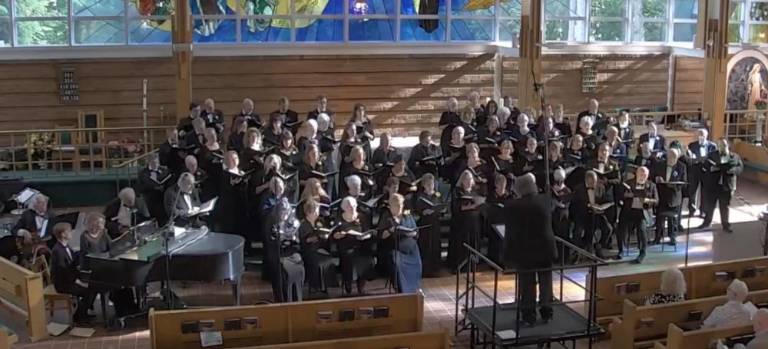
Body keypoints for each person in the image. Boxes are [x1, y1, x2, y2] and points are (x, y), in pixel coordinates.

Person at [503, 173, 556, 325]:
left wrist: (506, 255)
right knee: (546, 282)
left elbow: (510, 233)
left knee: (527, 284)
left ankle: (528, 316)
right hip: (545, 249)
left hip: (525, 251)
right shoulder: (545, 200)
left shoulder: (512, 206)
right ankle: (547, 313)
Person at [50, 222, 96, 324]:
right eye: (69, 231)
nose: (71, 233)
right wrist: (79, 282)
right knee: (89, 289)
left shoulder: (66, 247)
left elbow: (73, 260)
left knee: (93, 285)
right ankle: (79, 316)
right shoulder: (58, 251)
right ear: (63, 234)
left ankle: (83, 312)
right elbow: (63, 271)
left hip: (70, 278)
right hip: (63, 284)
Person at [378, 193, 422, 293]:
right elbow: (381, 235)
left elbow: (416, 231)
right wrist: (390, 231)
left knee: (417, 262)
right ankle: (403, 289)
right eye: (397, 205)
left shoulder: (407, 215)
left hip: (410, 246)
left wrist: (413, 233)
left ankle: (415, 287)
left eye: (401, 205)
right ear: (391, 206)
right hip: (394, 247)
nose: (399, 208)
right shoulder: (386, 217)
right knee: (397, 263)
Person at [263, 197, 304, 303]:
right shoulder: (271, 222)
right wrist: (279, 237)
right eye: (282, 212)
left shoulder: (293, 221)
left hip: (290, 251)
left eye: (286, 211)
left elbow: (298, 241)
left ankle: (296, 297)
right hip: (277, 252)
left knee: (299, 266)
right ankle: (283, 297)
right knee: (283, 269)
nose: (284, 214)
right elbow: (269, 241)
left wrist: (293, 238)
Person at [700, 139, 744, 232]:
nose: (721, 148)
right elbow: (705, 165)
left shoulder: (734, 156)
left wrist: (731, 171)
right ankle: (707, 222)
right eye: (719, 146)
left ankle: (725, 225)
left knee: (724, 206)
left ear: (727, 146)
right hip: (713, 185)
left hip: (726, 186)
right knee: (710, 205)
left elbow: (740, 168)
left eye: (723, 146)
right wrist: (711, 168)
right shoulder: (712, 155)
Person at [616, 166, 658, 263]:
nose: (642, 176)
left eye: (644, 175)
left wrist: (648, 200)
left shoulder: (651, 186)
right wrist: (626, 195)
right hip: (628, 210)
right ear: (636, 174)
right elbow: (619, 196)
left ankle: (642, 252)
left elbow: (656, 201)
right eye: (640, 174)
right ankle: (621, 250)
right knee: (621, 227)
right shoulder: (628, 183)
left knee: (641, 229)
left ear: (647, 176)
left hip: (642, 212)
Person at [334, 197, 374, 296]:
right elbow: (334, 235)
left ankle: (361, 284)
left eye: (354, 206)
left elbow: (368, 232)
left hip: (360, 245)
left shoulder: (362, 217)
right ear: (344, 208)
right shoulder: (339, 219)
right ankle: (348, 284)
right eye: (349, 207)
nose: (352, 208)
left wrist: (364, 236)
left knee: (366, 258)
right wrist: (339, 235)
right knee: (348, 258)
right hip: (346, 246)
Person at [570, 171, 614, 259]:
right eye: (591, 182)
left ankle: (598, 246)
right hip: (583, 215)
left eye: (595, 182)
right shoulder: (578, 189)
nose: (594, 184)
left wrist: (601, 207)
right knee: (577, 232)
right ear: (586, 180)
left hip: (597, 214)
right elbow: (574, 205)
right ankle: (579, 250)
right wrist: (588, 206)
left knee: (608, 229)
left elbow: (607, 199)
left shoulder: (600, 187)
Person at [298, 199, 337, 294]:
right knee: (316, 262)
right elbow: (301, 241)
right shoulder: (303, 224)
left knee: (328, 260)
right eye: (316, 211)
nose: (318, 213)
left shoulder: (319, 222)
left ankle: (326, 285)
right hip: (308, 251)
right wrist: (309, 239)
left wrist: (325, 236)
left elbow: (323, 234)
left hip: (319, 249)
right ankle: (315, 286)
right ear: (309, 212)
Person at [449, 170, 484, 270]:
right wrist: (473, 205)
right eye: (466, 179)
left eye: (470, 179)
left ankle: (473, 265)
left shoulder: (475, 192)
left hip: (474, 223)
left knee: (473, 242)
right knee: (463, 243)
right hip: (462, 223)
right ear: (462, 181)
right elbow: (457, 207)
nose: (468, 182)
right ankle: (461, 265)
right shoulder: (457, 191)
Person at [653, 148, 687, 245]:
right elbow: (653, 176)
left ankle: (672, 237)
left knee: (673, 220)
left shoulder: (681, 166)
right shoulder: (660, 164)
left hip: (674, 196)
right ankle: (658, 237)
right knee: (659, 219)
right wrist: (656, 178)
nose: (673, 158)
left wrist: (673, 185)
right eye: (671, 156)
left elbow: (684, 183)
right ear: (667, 155)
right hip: (661, 195)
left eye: (675, 156)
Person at [412, 173, 444, 277]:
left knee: (435, 245)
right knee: (425, 246)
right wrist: (423, 211)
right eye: (429, 184)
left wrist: (439, 209)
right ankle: (425, 269)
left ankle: (435, 268)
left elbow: (441, 206)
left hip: (435, 223)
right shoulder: (420, 196)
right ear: (424, 185)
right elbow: (417, 208)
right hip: (425, 223)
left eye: (432, 184)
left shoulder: (437, 195)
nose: (431, 186)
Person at [214, 151, 249, 236]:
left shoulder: (241, 172)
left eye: (236, 158)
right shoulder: (224, 174)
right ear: (226, 161)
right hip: (230, 207)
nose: (234, 160)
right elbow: (223, 190)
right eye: (231, 158)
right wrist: (232, 184)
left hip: (241, 205)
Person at [687, 129, 717, 217]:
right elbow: (689, 158)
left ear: (706, 136)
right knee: (692, 191)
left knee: (705, 192)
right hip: (695, 171)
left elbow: (714, 158)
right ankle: (691, 209)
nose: (701, 136)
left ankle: (703, 210)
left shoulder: (712, 146)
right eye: (699, 135)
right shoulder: (692, 145)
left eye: (703, 135)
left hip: (706, 171)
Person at [137, 153, 172, 224]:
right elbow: (140, 188)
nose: (156, 164)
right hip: (151, 199)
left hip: (164, 197)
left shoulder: (164, 170)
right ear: (149, 162)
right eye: (153, 163)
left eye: (157, 162)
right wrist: (154, 187)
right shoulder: (143, 173)